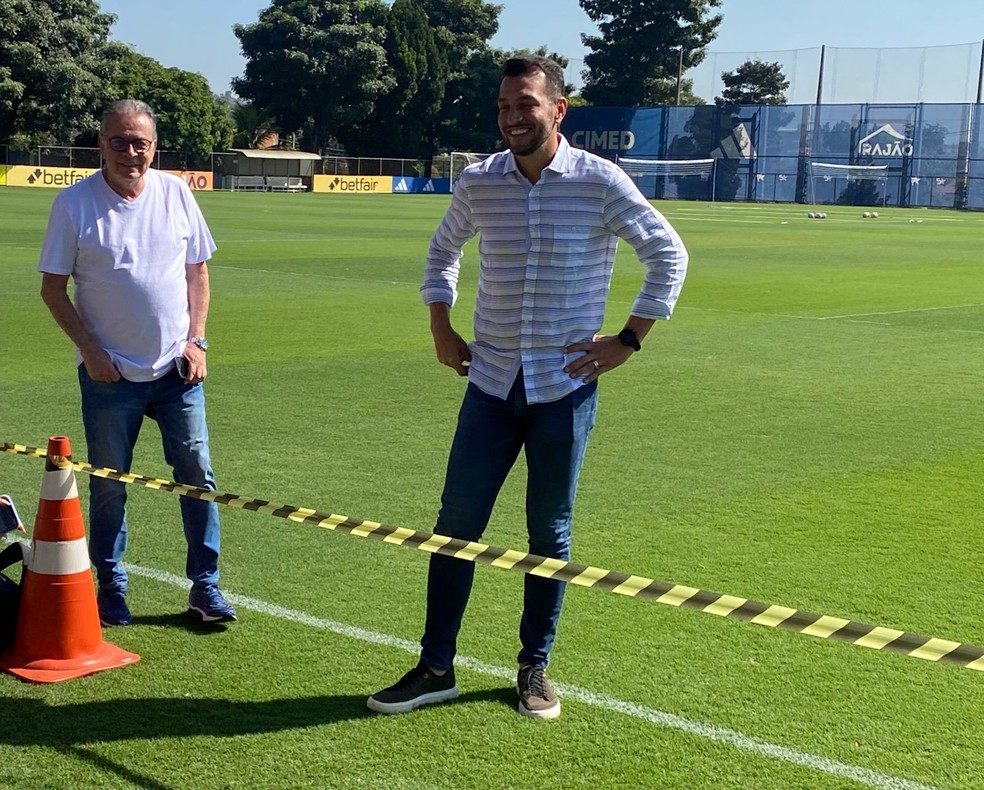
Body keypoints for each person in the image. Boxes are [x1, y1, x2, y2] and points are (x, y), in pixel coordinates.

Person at [367, 56, 688, 720]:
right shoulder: (480, 182)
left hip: (563, 389)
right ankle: (434, 667)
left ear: (557, 109)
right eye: (505, 107)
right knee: (455, 527)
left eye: (526, 105)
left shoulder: (600, 183)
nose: (513, 117)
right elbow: (441, 250)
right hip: (488, 382)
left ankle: (534, 668)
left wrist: (627, 341)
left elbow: (668, 253)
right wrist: (440, 326)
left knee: (550, 535)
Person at [37, 99, 236, 627]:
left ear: (154, 147)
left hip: (177, 370)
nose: (131, 152)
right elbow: (53, 290)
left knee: (197, 476)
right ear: (101, 145)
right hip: (110, 376)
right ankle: (110, 586)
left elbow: (198, 271)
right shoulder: (74, 204)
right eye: (119, 141)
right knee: (109, 484)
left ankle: (206, 587)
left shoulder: (175, 191)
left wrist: (198, 340)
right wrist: (92, 352)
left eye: (140, 143)